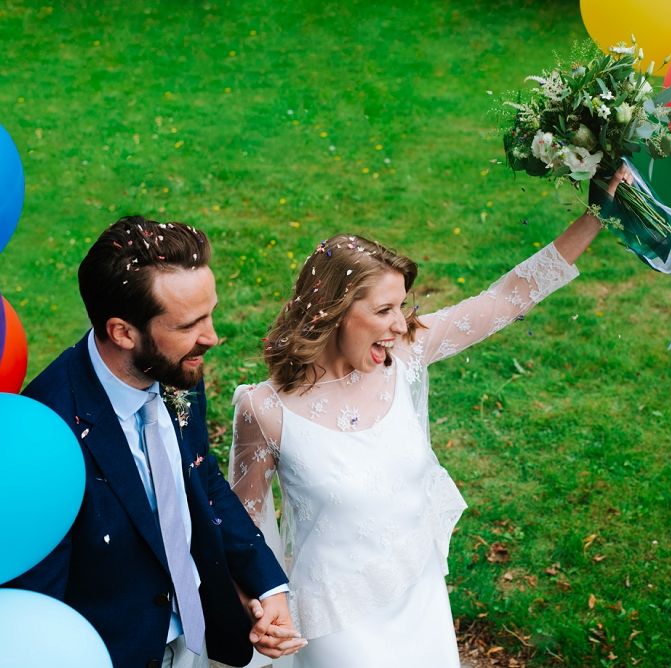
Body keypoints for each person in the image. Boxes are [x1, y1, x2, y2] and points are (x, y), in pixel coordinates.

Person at [228, 168, 632, 667]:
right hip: (337, 620)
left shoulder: (406, 351)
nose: (399, 324)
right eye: (383, 310)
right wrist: (261, 605)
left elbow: (506, 298)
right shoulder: (265, 410)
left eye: (402, 307)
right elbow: (241, 527)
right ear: (332, 313)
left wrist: (596, 216)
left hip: (419, 594)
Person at [7, 217, 307, 667]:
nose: (211, 337)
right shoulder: (44, 440)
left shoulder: (175, 368)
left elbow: (199, 476)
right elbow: (39, 603)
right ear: (123, 332)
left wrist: (265, 584)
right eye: (190, 324)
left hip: (192, 638)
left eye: (210, 312)